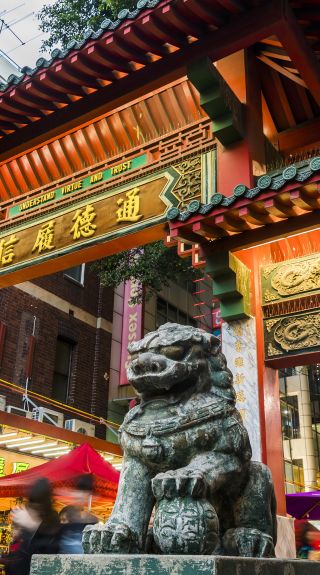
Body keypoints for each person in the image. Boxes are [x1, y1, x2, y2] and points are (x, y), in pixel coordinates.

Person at [10, 477, 61, 575]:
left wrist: (31, 526)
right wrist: (18, 532)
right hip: (20, 567)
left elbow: (50, 550)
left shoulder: (53, 518)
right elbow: (21, 545)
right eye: (32, 504)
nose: (34, 509)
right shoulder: (24, 512)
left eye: (38, 505)